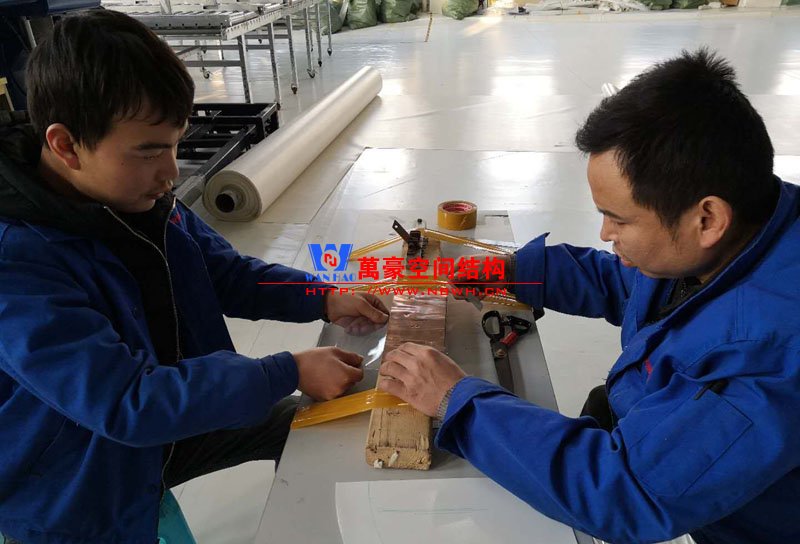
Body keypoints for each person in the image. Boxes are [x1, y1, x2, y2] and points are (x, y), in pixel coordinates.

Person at [378, 48, 800, 544]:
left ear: (707, 219)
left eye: (618, 220)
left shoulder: (770, 353)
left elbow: (627, 492)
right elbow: (634, 286)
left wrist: (459, 402)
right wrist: (512, 272)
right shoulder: (747, 226)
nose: (604, 234)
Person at [0, 9, 388, 543]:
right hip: (75, 480)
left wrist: (323, 298)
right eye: (150, 151)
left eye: (175, 144)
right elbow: (126, 402)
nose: (171, 172)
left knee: (317, 429)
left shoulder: (142, 200)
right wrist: (286, 371)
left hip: (172, 419)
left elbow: (227, 274)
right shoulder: (18, 263)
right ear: (66, 145)